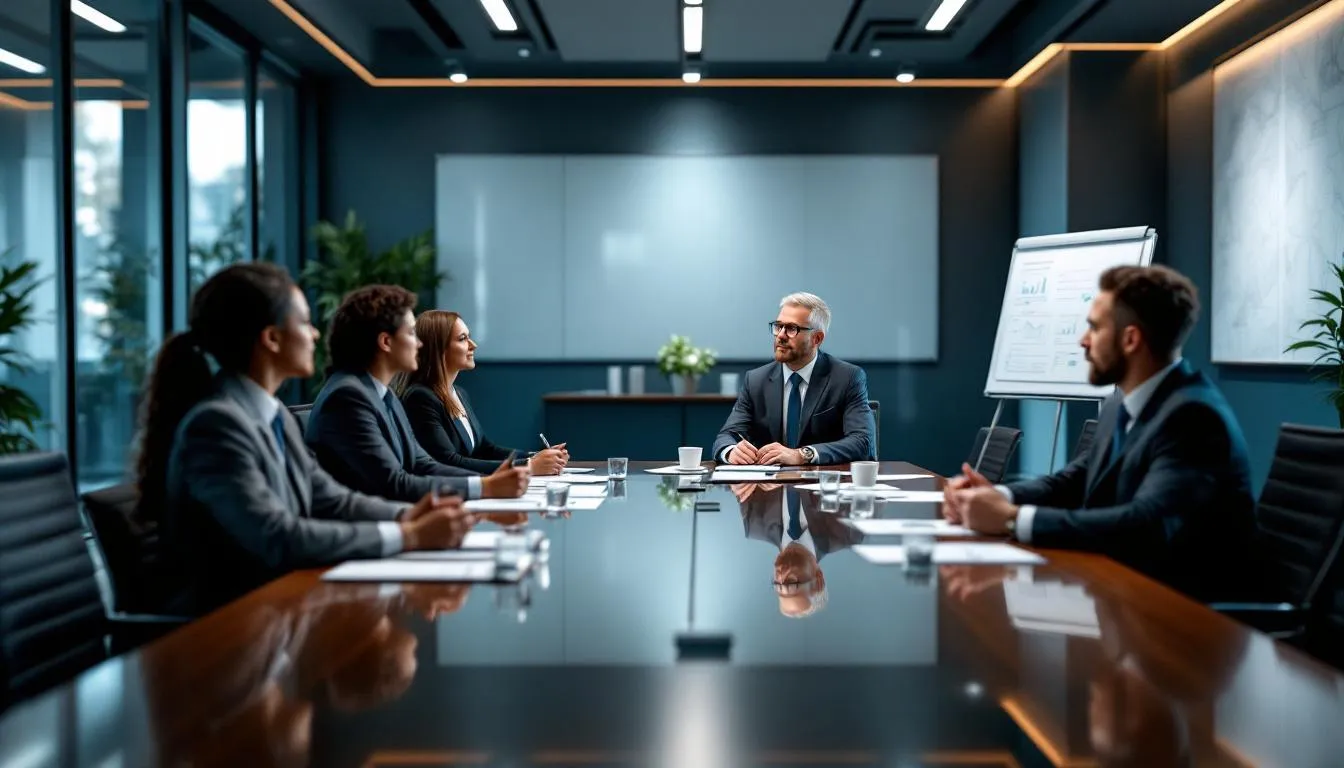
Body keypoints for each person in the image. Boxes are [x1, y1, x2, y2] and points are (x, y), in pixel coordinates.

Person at [135, 264, 473, 618]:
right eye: (304, 322)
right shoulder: (216, 425)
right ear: (272, 338)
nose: (314, 334)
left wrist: (408, 515)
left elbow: (330, 499)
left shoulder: (273, 413)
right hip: (227, 628)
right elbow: (279, 537)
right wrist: (410, 536)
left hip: (278, 610)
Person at [943, 265, 1255, 601]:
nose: (1083, 340)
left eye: (1094, 327)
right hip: (1126, 598)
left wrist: (1011, 520)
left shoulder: (1193, 418)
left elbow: (1145, 526)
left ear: (1131, 339)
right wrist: (997, 497)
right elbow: (1073, 481)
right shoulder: (1121, 403)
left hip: (1189, 619)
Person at [304, 286, 529, 504]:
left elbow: (423, 464)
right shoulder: (348, 397)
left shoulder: (383, 394)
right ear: (386, 342)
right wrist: (486, 487)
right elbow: (393, 483)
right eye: (411, 333)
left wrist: (489, 482)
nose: (420, 344)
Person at [712, 292, 875, 466]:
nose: (780, 335)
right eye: (778, 326)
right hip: (767, 488)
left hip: (822, 486)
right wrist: (731, 451)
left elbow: (862, 441)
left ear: (817, 339)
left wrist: (802, 455)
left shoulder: (847, 378)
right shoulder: (756, 380)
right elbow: (726, 436)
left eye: (791, 329)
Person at [399, 310, 569, 475]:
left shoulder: (459, 393)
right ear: (439, 348)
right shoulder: (420, 397)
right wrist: (528, 466)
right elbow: (447, 461)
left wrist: (536, 457)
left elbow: (485, 449)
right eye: (462, 339)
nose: (473, 345)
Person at [734, 483, 856, 617]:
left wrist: (731, 469)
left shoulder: (755, 523)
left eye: (777, 584)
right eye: (791, 583)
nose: (780, 575)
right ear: (818, 580)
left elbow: (730, 474)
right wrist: (805, 460)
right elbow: (866, 468)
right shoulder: (845, 531)